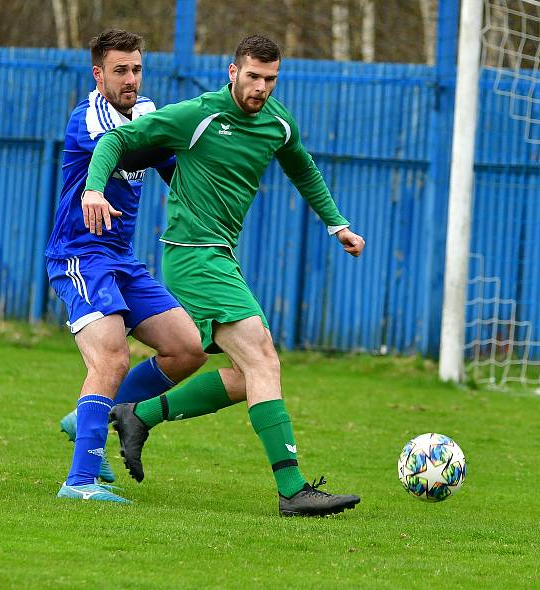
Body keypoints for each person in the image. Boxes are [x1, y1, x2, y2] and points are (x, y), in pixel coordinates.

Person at [82, 35, 366, 516]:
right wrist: (94, 190)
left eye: (270, 79)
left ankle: (138, 415)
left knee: (244, 376)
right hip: (193, 255)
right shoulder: (198, 114)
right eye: (252, 76)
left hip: (219, 257)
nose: (260, 88)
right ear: (232, 72)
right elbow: (118, 139)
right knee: (263, 360)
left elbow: (304, 168)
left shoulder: (277, 122)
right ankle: (292, 489)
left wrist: (337, 224)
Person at [45, 29, 208, 503]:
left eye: (136, 68)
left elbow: (170, 168)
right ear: (99, 75)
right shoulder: (88, 118)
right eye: (120, 70)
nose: (131, 78)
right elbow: (130, 146)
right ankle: (80, 483)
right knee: (112, 357)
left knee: (188, 348)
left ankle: (89, 416)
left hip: (122, 260)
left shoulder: (148, 112)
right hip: (79, 256)